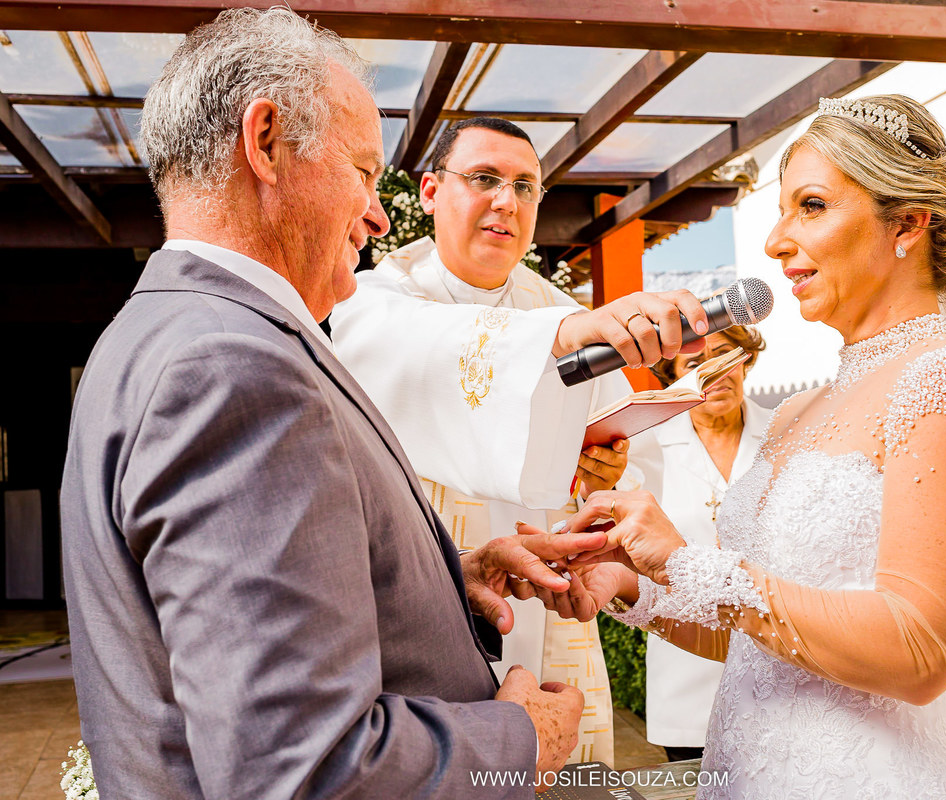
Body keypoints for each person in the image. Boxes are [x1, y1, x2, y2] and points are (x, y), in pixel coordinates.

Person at [530, 94, 946, 798]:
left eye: (810, 206)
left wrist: (688, 561)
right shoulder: (798, 409)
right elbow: (765, 643)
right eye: (782, 210)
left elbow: (921, 651)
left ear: (907, 224)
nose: (776, 241)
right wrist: (630, 584)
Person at [59, 9, 614, 797]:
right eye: (362, 171)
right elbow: (304, 768)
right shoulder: (229, 369)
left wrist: (445, 578)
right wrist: (520, 739)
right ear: (267, 143)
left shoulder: (165, 328)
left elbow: (231, 610)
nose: (379, 215)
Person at [329, 116, 706, 765]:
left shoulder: (557, 309)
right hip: (428, 612)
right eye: (484, 179)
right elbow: (392, 353)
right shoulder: (374, 301)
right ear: (429, 191)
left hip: (547, 615)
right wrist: (552, 343)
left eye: (526, 187)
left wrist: (604, 472)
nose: (507, 201)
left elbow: (637, 481)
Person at [643, 326, 769, 762]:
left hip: (777, 654)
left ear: (745, 361)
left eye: (725, 356)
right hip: (684, 666)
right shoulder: (646, 444)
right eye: (696, 363)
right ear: (675, 377)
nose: (715, 372)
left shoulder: (786, 434)